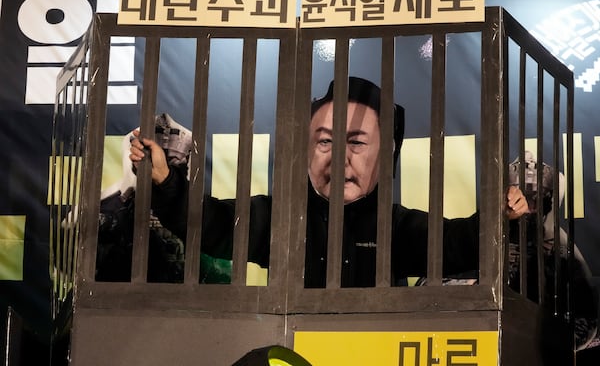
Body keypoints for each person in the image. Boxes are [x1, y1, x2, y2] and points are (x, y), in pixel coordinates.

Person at [129, 77, 529, 287]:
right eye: (324, 141)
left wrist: (504, 219)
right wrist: (165, 180)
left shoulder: (398, 228)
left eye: (355, 143)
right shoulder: (278, 217)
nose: (338, 158)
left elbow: (461, 243)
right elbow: (208, 223)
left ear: (385, 156)